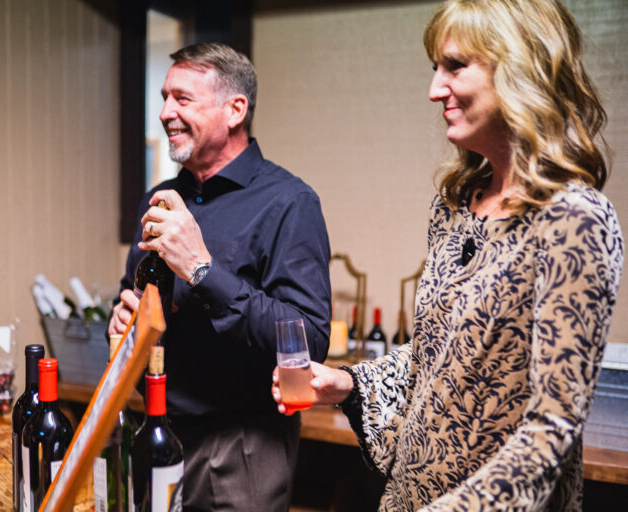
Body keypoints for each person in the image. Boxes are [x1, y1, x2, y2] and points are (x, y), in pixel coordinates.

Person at [272, 0, 623, 510]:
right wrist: (344, 383)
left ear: (520, 68)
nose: (435, 89)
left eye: (455, 66)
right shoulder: (455, 208)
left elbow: (550, 433)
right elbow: (433, 359)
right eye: (435, 68)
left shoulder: (574, 220)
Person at [109, 42, 332, 511]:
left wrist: (202, 270)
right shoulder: (159, 198)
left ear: (235, 110)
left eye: (182, 99)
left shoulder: (289, 203)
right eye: (165, 98)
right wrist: (123, 319)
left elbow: (309, 340)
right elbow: (135, 292)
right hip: (157, 431)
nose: (165, 112)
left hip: (242, 446)